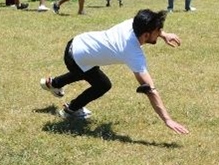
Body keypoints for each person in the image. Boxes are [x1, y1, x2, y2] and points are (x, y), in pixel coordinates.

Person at [39, 9, 190, 134]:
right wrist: (167, 119)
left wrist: (164, 35)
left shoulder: (133, 23)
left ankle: (53, 83)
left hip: (77, 42)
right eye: (158, 31)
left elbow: (148, 26)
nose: (159, 33)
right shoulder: (132, 52)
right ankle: (71, 110)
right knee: (102, 84)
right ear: (146, 35)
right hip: (76, 59)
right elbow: (150, 90)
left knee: (88, 70)